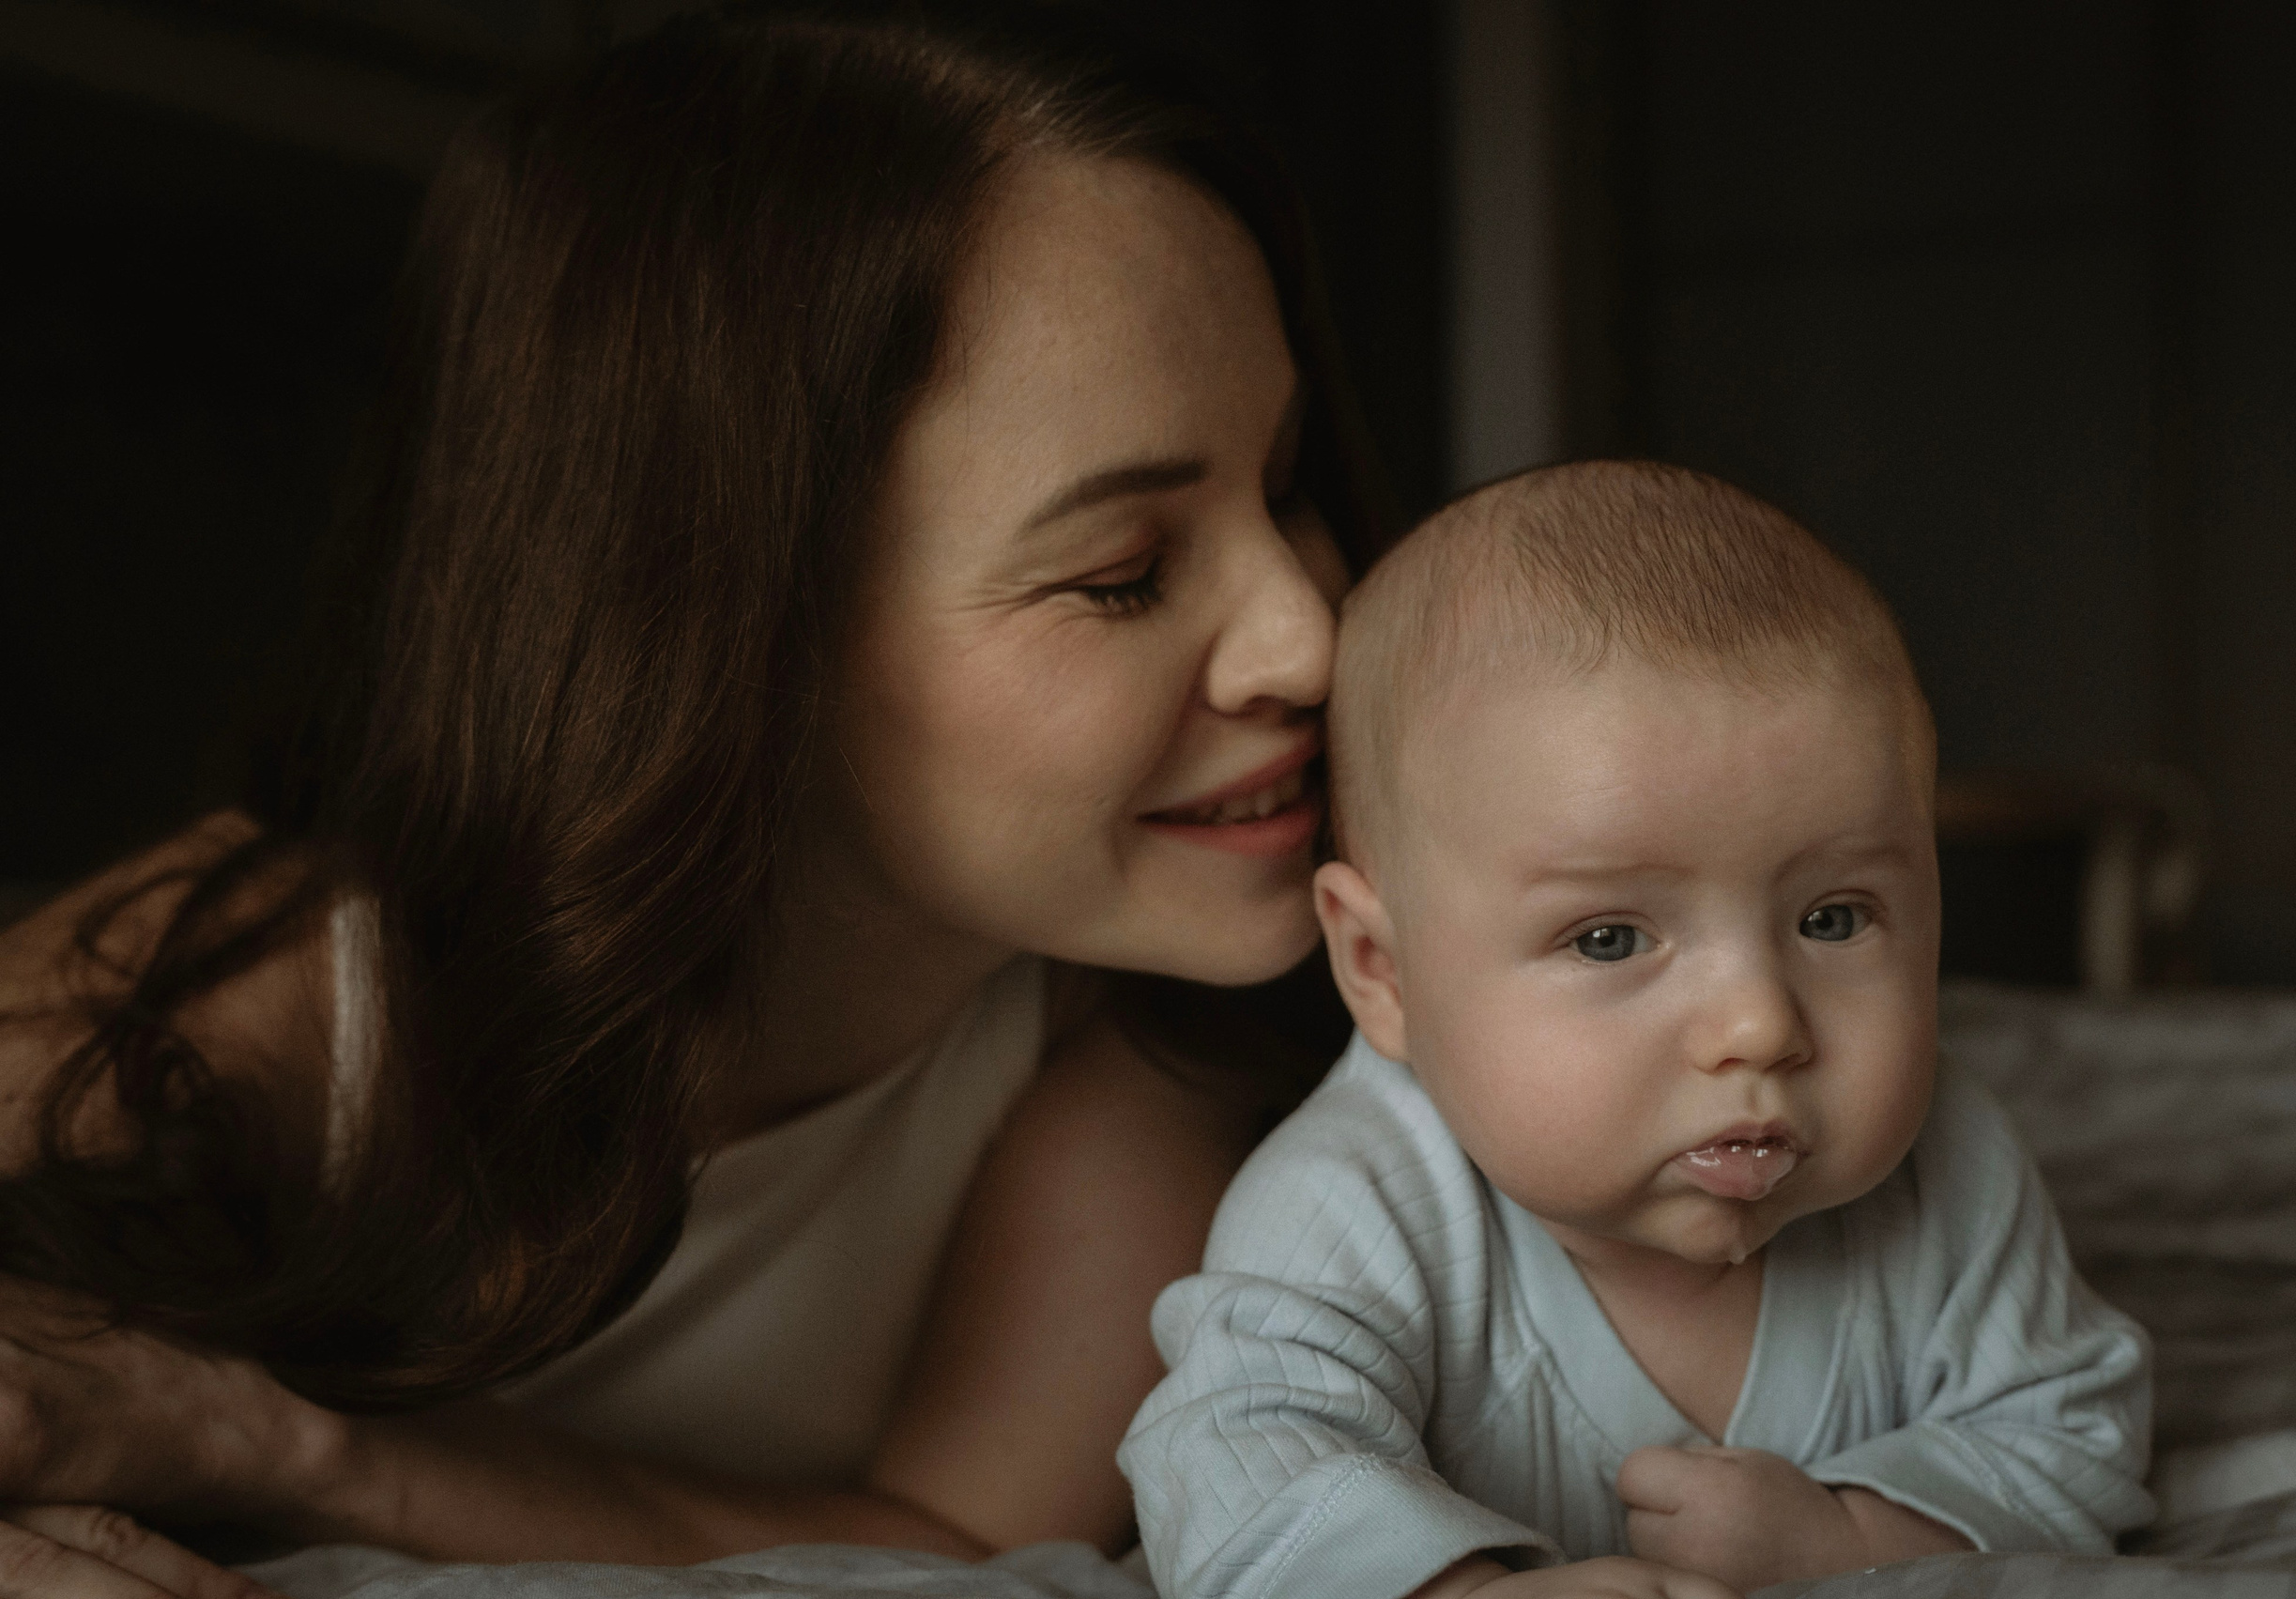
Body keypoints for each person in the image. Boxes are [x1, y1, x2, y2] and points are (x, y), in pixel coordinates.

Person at [0, 8, 1386, 1589]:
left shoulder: (1140, 1043)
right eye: (1123, 573)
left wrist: (274, 1440)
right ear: (731, 635)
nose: (1312, 632)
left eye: (1285, 486)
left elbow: (954, 1540)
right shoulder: (289, 982)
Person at [1120, 461, 2154, 1599]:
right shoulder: (1352, 1199)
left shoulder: (1949, 1166)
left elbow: (2075, 1428)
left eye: (1832, 916)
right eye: (1610, 938)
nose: (1759, 1024)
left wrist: (1859, 1536)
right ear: (1384, 970)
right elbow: (1235, 1460)